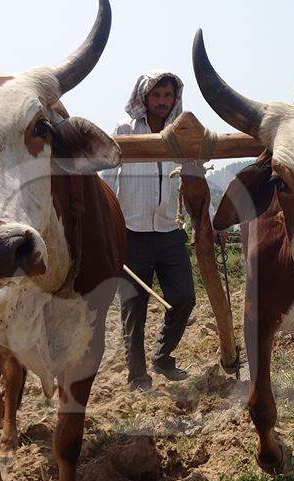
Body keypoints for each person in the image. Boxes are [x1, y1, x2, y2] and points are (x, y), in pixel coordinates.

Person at [101, 70, 197, 389]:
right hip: (131, 232)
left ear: (175, 98)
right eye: (156, 95)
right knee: (134, 309)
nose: (161, 101)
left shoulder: (179, 133)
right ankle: (137, 375)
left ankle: (162, 357)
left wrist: (205, 218)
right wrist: (105, 226)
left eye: (167, 96)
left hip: (169, 230)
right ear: (145, 98)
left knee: (184, 298)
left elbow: (191, 174)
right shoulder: (124, 130)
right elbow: (106, 179)